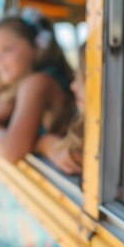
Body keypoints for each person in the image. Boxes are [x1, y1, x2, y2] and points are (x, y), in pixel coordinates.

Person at [0, 9, 74, 164]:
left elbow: (11, 150)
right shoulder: (26, 83)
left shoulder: (37, 82)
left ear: (37, 46)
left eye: (7, 50)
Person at [35, 44, 84, 175]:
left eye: (87, 76)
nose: (73, 85)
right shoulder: (82, 122)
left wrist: (47, 143)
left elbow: (76, 154)